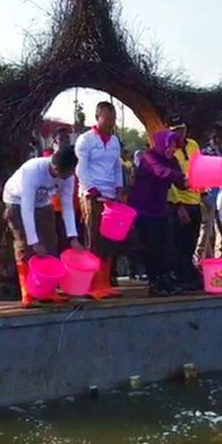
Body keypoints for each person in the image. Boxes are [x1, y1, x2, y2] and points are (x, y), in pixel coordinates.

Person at [3, 147, 82, 307]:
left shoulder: (68, 176)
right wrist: (33, 241)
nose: (66, 178)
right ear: (55, 168)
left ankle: (48, 290)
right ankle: (27, 292)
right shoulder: (33, 171)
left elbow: (67, 205)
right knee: (25, 245)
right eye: (64, 174)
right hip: (17, 200)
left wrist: (72, 236)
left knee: (50, 242)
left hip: (43, 202)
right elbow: (27, 208)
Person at [74, 101, 124, 299]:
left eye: (113, 118)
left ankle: (105, 282)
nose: (111, 121)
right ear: (98, 117)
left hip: (111, 195)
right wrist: (91, 189)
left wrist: (119, 188)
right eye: (107, 117)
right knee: (93, 238)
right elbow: (81, 168)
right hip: (91, 195)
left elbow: (116, 168)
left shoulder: (114, 142)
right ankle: (93, 285)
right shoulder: (85, 140)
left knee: (109, 240)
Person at [128, 130, 187, 296]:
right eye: (170, 145)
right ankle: (155, 282)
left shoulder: (173, 160)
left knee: (166, 245)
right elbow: (160, 171)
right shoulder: (149, 157)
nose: (172, 149)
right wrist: (182, 176)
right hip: (143, 208)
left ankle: (166, 278)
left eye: (175, 145)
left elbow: (180, 182)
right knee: (151, 245)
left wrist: (191, 181)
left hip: (160, 207)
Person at [166, 115, 204, 290]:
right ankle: (178, 276)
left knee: (191, 241)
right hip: (177, 202)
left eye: (181, 129)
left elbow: (199, 168)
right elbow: (168, 181)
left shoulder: (193, 145)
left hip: (195, 200)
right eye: (175, 130)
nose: (179, 133)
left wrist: (203, 194)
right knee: (177, 242)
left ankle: (188, 276)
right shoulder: (168, 149)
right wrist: (178, 205)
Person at [196, 125, 222, 262]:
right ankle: (202, 260)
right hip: (207, 195)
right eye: (215, 137)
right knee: (206, 232)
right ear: (210, 139)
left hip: (221, 195)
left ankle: (218, 261)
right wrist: (202, 195)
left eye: (220, 137)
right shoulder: (203, 154)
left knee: (221, 231)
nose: (217, 140)